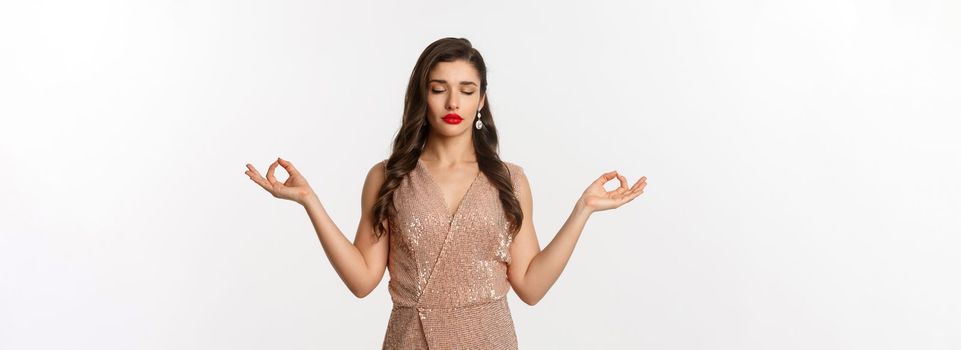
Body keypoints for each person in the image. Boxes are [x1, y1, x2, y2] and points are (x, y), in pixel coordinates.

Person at [244, 37, 647, 349]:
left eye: (467, 90)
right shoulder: (388, 177)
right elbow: (363, 280)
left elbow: (530, 285)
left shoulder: (511, 179)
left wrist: (583, 210)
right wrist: (310, 202)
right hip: (411, 340)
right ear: (423, 95)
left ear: (481, 100)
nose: (453, 101)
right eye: (439, 88)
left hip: (491, 340)